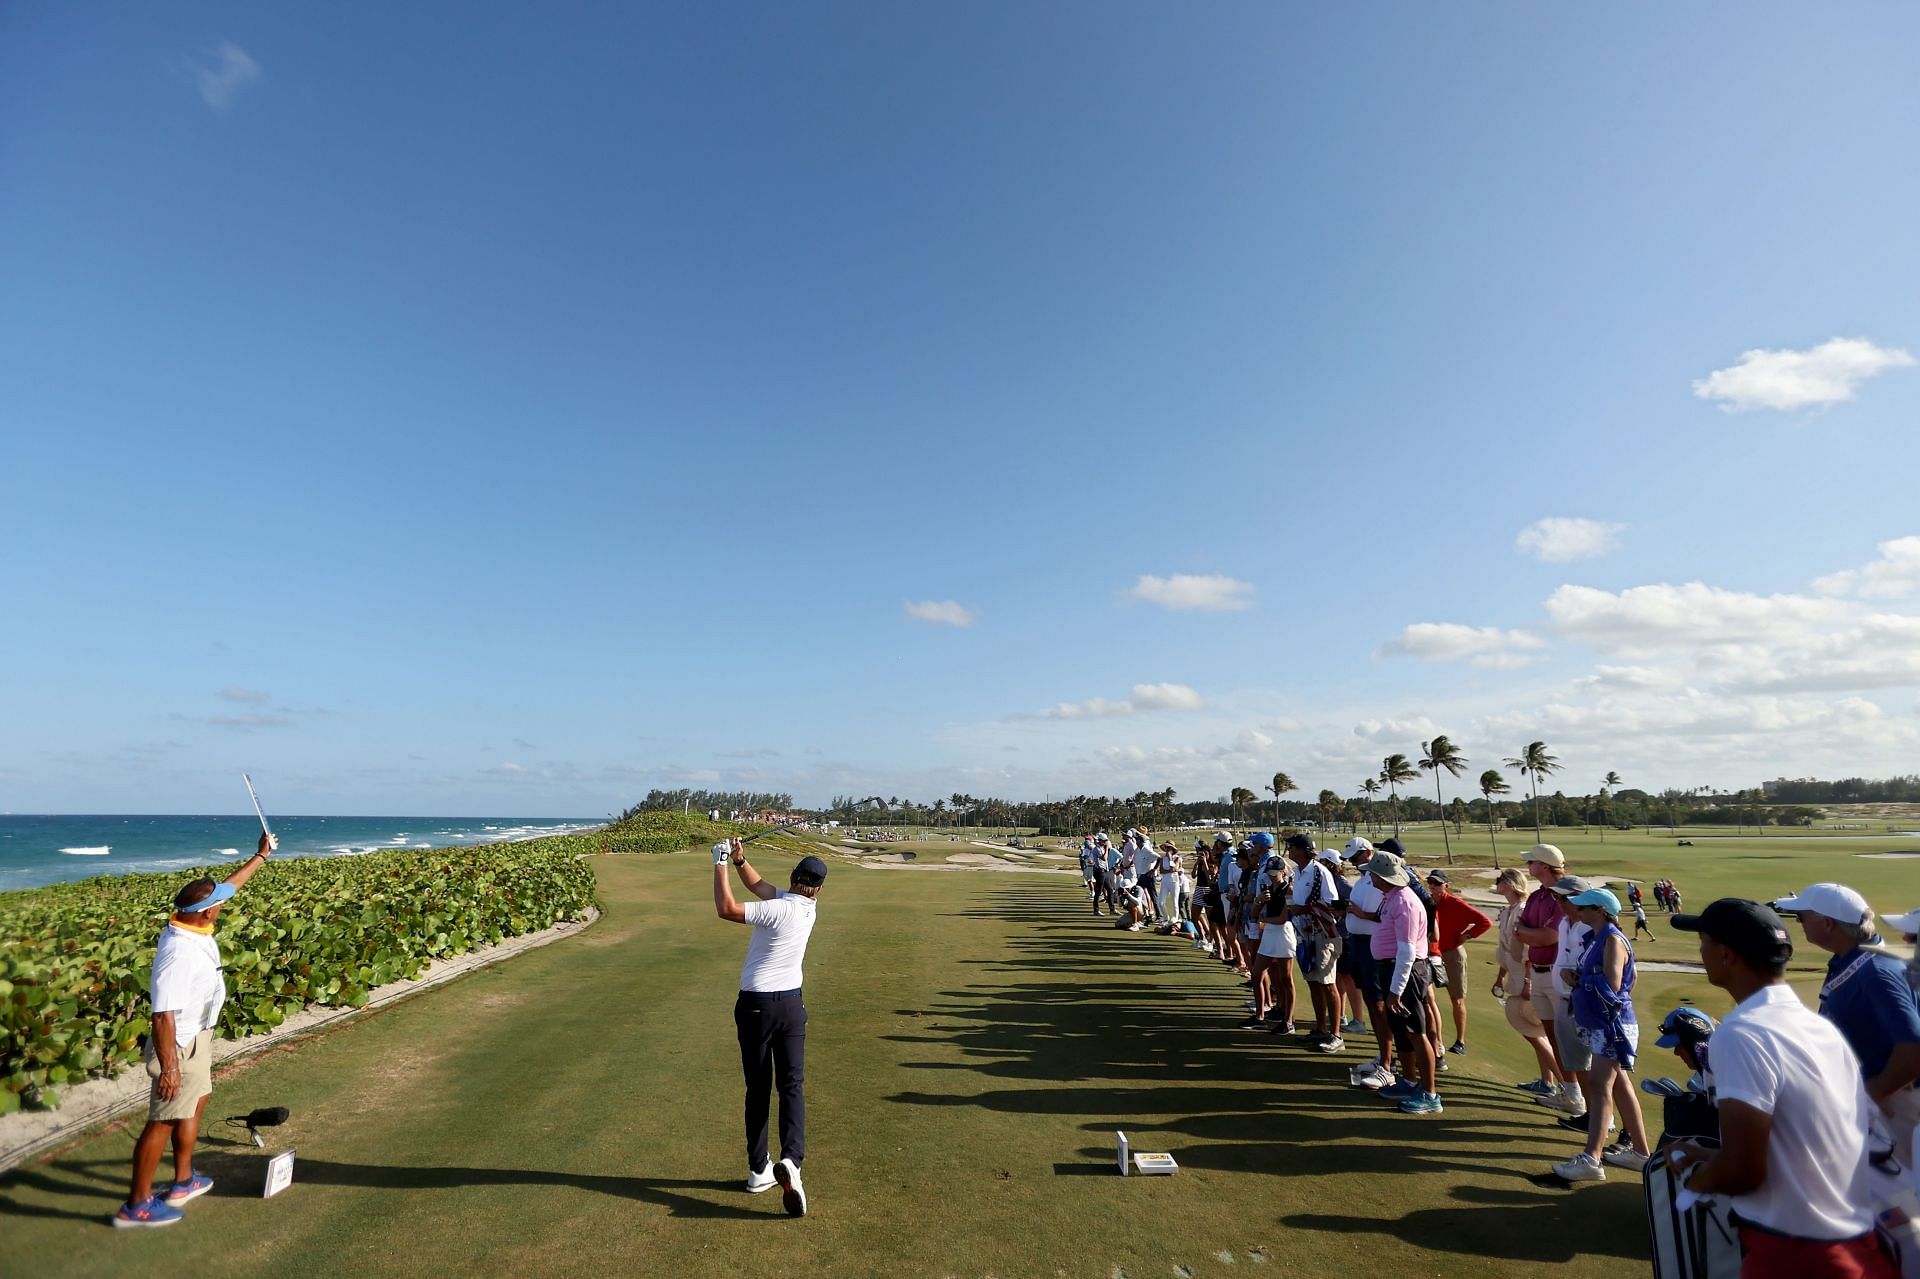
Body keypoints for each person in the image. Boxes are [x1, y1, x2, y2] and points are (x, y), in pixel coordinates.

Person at [1666, 899, 1894, 1278]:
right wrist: (1712, 1155)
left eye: (1703, 942)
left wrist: (1697, 1181)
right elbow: (1808, 1139)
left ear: (1726, 955)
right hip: (1860, 1248)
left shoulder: (1741, 1034)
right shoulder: (1819, 1028)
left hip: (1795, 1254)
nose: (1701, 952)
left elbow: (1743, 1171)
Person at [117, 831, 277, 1228]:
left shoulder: (192, 923)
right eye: (219, 903)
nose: (224, 903)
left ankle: (183, 1181)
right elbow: (161, 1016)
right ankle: (136, 1204)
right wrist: (169, 1068)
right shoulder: (178, 952)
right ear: (207, 912)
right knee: (164, 1118)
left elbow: (230, 887)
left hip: (197, 1035)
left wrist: (260, 855)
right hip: (178, 1043)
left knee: (197, 1100)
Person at [713, 838, 828, 1218]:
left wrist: (719, 862)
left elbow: (727, 909)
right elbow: (758, 886)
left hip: (756, 1006)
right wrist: (741, 861)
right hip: (792, 1006)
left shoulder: (778, 909)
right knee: (791, 1085)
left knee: (758, 1088)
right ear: (818, 888)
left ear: (794, 877)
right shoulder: (807, 909)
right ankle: (792, 1161)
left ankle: (758, 1169)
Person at [1775, 882, 1920, 1159]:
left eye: (1801, 916)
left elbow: (1913, 1049)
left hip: (1894, 1108)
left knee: (1899, 1196)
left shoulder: (1875, 971)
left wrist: (1870, 1096)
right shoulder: (1857, 962)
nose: (1799, 923)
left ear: (1827, 924)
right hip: (1878, 1104)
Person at [1551, 888, 1652, 1181]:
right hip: (1606, 1022)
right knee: (1618, 1085)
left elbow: (1613, 984)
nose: (1578, 912)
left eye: (1584, 908)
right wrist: (1577, 978)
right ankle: (1641, 1154)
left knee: (1599, 1086)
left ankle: (1591, 1160)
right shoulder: (1599, 937)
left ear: (1601, 911)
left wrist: (1579, 981)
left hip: (1611, 1024)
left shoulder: (1611, 939)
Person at [1370, 853, 1440, 1114]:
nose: (1369, 876)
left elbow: (1407, 952)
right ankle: (1410, 1081)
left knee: (1416, 1031)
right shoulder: (1392, 898)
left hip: (1407, 973)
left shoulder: (1405, 903)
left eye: (1372, 873)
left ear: (1382, 876)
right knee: (1401, 1030)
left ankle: (1430, 1094)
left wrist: (1396, 991)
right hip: (1392, 969)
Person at [1490, 867, 1563, 1097]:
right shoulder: (1510, 910)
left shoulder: (1522, 910)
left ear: (1510, 884)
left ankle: (1566, 1084)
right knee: (1536, 1032)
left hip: (1527, 978)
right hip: (1516, 975)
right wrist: (1501, 977)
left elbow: (1531, 948)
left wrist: (1528, 982)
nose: (1497, 883)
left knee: (1534, 1032)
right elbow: (1508, 949)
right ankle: (1547, 1081)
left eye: (1500, 880)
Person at [1343, 839, 1395, 1091]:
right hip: (1359, 945)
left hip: (1375, 947)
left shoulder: (1383, 881)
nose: (1352, 862)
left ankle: (1388, 1064)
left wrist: (1362, 915)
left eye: (1355, 858)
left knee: (1379, 1004)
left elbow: (1385, 916)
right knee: (1372, 1004)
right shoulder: (1364, 879)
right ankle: (1383, 1057)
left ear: (1368, 854)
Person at [1285, 834, 1344, 1051]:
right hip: (1305, 933)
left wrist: (1305, 910)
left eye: (1292, 847)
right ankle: (1320, 1029)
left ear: (1302, 850)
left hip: (1323, 934)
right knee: (1313, 981)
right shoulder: (1298, 873)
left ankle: (1336, 1035)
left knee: (1328, 983)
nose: (1289, 850)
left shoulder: (1319, 872)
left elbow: (1331, 904)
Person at [1427, 870, 1492, 1055]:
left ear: (1445, 885)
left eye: (1437, 883)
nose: (1433, 886)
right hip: (1430, 953)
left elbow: (1484, 922)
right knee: (1426, 998)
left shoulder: (1456, 903)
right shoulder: (1427, 902)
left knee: (1457, 999)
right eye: (1431, 882)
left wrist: (1467, 935)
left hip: (1452, 954)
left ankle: (1460, 1041)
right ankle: (1431, 1037)